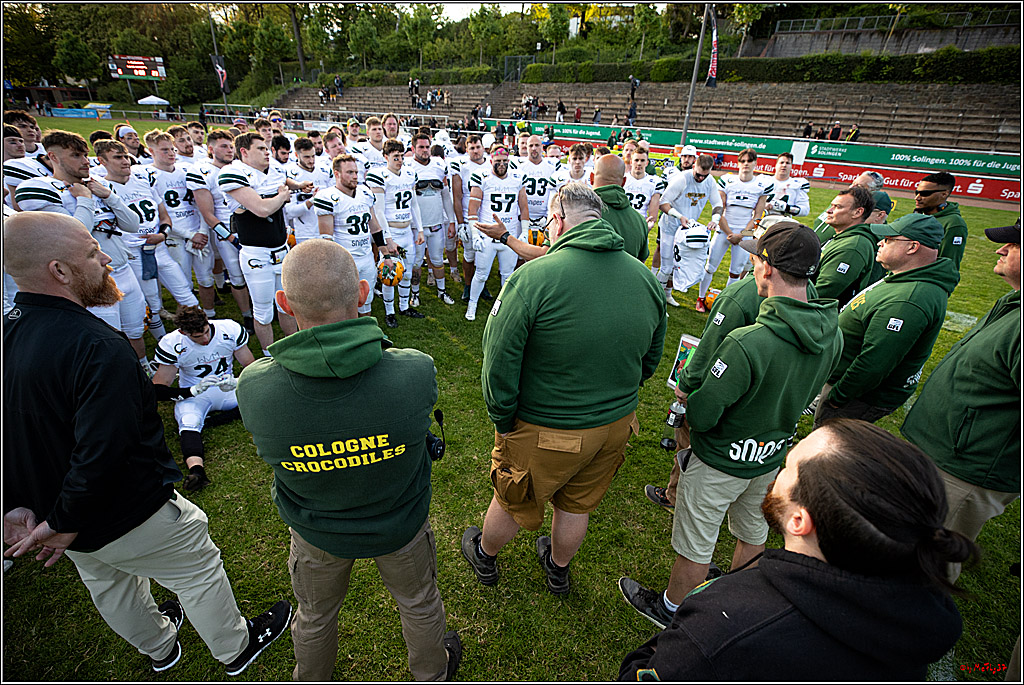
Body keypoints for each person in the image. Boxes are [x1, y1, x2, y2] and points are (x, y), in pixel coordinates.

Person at [2, 211, 291, 677]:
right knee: (197, 570)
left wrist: (17, 505)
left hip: (52, 513)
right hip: (120, 507)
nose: (107, 260)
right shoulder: (96, 345)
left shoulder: (9, 331)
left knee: (110, 586)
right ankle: (236, 648)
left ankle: (159, 647)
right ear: (60, 271)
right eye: (92, 253)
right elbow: (104, 450)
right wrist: (66, 518)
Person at [234, 239, 461, 681]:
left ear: (283, 303)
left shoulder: (256, 388)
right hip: (399, 524)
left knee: (315, 615)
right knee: (418, 603)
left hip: (317, 531)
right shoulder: (414, 371)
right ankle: (432, 673)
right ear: (362, 292)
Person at [619, 419, 976, 681]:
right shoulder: (919, 615)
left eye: (788, 467)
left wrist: (658, 647)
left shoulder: (725, 623)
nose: (777, 473)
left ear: (799, 521)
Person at [618, 220, 842, 627]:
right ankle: (736, 599)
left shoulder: (749, 341)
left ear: (767, 268)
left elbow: (703, 414)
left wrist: (694, 403)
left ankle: (671, 609)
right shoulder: (832, 331)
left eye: (756, 258)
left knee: (696, 543)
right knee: (752, 530)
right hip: (770, 455)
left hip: (722, 457)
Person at [461, 182, 666, 595]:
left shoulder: (533, 278)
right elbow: (651, 359)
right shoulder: (645, 277)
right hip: (615, 425)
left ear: (557, 220)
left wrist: (503, 420)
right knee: (577, 503)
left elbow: (498, 364)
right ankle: (558, 568)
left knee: (513, 498)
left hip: (547, 427)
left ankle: (485, 554)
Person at [645, 216, 820, 511]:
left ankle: (675, 494)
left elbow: (709, 349)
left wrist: (686, 387)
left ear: (767, 262)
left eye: (757, 251)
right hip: (771, 416)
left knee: (690, 445)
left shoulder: (740, 295)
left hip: (727, 401)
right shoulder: (808, 292)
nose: (751, 258)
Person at [901, 218, 1020, 582]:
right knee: (909, 546)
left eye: (1015, 245)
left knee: (929, 565)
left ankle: (918, 617)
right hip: (951, 455)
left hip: (967, 467)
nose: (1001, 249)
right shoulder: (1014, 302)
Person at [15, 133, 150, 368]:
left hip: (123, 268)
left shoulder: (98, 184)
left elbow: (132, 224)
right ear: (53, 157)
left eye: (85, 155)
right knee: (109, 337)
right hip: (91, 277)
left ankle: (143, 370)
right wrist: (85, 200)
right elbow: (75, 235)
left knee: (135, 328)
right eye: (76, 155)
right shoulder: (41, 187)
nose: (85, 161)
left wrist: (109, 196)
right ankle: (117, 376)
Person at [813, 213, 957, 428]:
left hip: (857, 397)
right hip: (850, 388)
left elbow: (874, 362)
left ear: (912, 247)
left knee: (832, 444)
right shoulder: (906, 277)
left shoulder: (908, 300)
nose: (880, 243)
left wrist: (838, 397)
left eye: (889, 240)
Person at [151, 306, 254, 491]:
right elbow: (157, 390)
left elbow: (251, 367)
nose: (205, 339)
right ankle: (197, 472)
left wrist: (237, 381)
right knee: (189, 421)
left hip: (227, 387)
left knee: (261, 397)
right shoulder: (173, 343)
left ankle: (214, 421)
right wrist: (191, 391)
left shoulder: (229, 329)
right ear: (183, 332)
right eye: (197, 336)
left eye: (206, 331)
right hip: (196, 394)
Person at [218, 132, 297, 355]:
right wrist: (282, 196)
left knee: (287, 305)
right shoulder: (233, 172)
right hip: (257, 254)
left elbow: (282, 185)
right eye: (260, 149)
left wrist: (295, 186)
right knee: (263, 312)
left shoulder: (271, 171)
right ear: (244, 152)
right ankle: (268, 355)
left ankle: (294, 348)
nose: (267, 152)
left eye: (266, 148)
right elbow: (262, 209)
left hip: (281, 249)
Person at [313, 153, 397, 321]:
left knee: (366, 301)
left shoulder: (365, 193)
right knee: (343, 305)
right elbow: (327, 240)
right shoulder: (328, 197)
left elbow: (375, 227)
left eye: (356, 172)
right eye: (349, 172)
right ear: (337, 174)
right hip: (344, 260)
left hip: (366, 257)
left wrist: (386, 255)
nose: (355, 176)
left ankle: (365, 332)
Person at [189, 129, 254, 331]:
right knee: (236, 274)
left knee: (256, 271)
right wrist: (230, 237)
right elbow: (208, 214)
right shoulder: (202, 172)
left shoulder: (240, 167)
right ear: (210, 149)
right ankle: (247, 316)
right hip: (227, 231)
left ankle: (260, 307)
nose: (229, 150)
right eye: (223, 146)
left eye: (231, 146)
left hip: (250, 226)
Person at [695, 148, 773, 313]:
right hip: (724, 230)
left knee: (736, 272)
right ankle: (700, 298)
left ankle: (726, 303)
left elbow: (758, 216)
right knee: (710, 266)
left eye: (749, 161)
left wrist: (741, 235)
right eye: (742, 161)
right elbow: (719, 209)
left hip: (745, 233)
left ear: (755, 163)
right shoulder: (727, 180)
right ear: (738, 163)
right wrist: (729, 232)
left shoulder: (761, 185)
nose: (746, 164)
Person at [464, 142, 528, 321]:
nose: (502, 164)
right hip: (488, 234)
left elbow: (524, 207)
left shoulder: (518, 178)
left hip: (509, 234)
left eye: (505, 160)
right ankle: (472, 304)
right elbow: (472, 209)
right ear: (491, 160)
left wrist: (524, 231)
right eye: (498, 160)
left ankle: (503, 307)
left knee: (507, 275)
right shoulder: (481, 177)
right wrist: (475, 234)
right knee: (481, 274)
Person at [366, 139, 425, 327]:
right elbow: (379, 211)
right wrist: (388, 238)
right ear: (386, 157)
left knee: (407, 272)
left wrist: (420, 229)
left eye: (401, 156)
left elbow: (414, 204)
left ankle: (404, 306)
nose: (399, 160)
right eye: (395, 157)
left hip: (407, 231)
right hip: (391, 231)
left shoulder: (409, 174)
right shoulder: (380, 176)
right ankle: (389, 312)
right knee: (389, 274)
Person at [657, 154, 724, 305]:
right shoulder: (682, 178)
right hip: (670, 227)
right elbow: (663, 203)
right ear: (694, 166)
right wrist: (679, 216)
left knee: (678, 266)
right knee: (666, 267)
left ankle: (667, 294)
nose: (701, 178)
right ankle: (657, 299)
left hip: (687, 231)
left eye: (704, 175)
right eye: (698, 175)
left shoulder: (710, 181)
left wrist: (715, 220)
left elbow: (718, 204)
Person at [408, 133, 457, 306]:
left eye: (427, 147)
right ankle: (414, 294)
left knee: (437, 259)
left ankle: (441, 291)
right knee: (416, 262)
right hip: (417, 226)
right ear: (413, 148)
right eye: (421, 147)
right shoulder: (407, 167)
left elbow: (445, 195)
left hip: (437, 223)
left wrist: (451, 220)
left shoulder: (439, 165)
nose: (425, 150)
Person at [812, 186, 880, 307]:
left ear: (857, 212)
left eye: (838, 207)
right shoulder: (843, 237)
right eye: (831, 205)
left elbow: (823, 293)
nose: (829, 211)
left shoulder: (853, 247)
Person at [593, 154, 651, 262]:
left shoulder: (578, 211)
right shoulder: (640, 221)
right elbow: (641, 262)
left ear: (592, 178)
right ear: (624, 181)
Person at [914, 171, 968, 273]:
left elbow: (948, 264)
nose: (917, 198)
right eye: (917, 192)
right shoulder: (918, 215)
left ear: (944, 194)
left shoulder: (954, 224)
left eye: (925, 194)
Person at [812, 170, 884, 243]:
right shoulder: (840, 202)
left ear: (873, 191)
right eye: (853, 183)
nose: (851, 187)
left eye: (859, 186)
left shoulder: (867, 216)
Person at [515, 135, 561, 247]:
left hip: (545, 217)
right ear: (526, 147)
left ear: (542, 147)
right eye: (531, 145)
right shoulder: (519, 167)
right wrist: (520, 215)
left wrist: (548, 216)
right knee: (520, 249)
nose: (534, 148)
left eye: (537, 145)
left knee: (545, 250)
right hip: (522, 217)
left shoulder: (552, 167)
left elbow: (555, 194)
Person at [764, 152, 810, 219]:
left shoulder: (797, 184)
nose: (784, 165)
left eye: (787, 163)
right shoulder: (764, 180)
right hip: (762, 219)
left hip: (784, 221)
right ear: (776, 165)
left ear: (791, 166)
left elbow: (805, 210)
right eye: (781, 162)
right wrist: (763, 205)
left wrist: (787, 208)